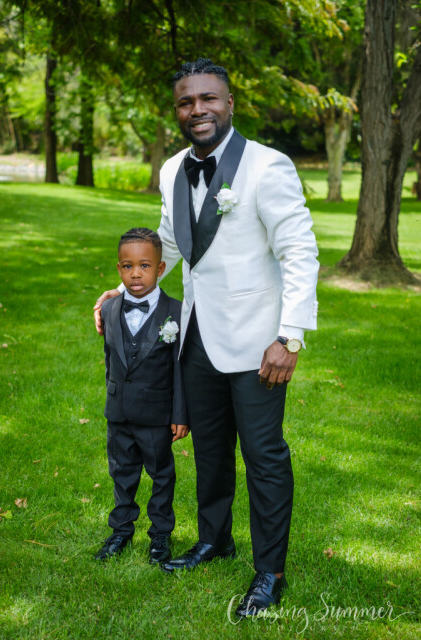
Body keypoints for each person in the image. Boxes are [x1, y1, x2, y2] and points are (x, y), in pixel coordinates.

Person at [94, 58, 319, 617]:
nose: (198, 109)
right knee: (211, 451)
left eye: (208, 98)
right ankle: (215, 540)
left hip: (259, 343)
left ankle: (270, 572)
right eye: (186, 101)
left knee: (263, 456)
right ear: (178, 110)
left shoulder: (268, 165)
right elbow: (171, 244)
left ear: (229, 103)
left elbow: (299, 252)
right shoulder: (173, 169)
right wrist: (122, 292)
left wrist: (289, 337)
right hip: (195, 338)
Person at [95, 227, 188, 564]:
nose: (136, 274)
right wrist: (112, 397)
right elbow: (111, 360)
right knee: (121, 472)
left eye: (145, 266)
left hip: (157, 414)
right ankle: (120, 530)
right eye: (127, 266)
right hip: (119, 412)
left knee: (161, 475)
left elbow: (181, 369)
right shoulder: (109, 309)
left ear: (160, 268)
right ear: (119, 269)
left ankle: (160, 534)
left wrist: (180, 414)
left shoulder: (177, 312)